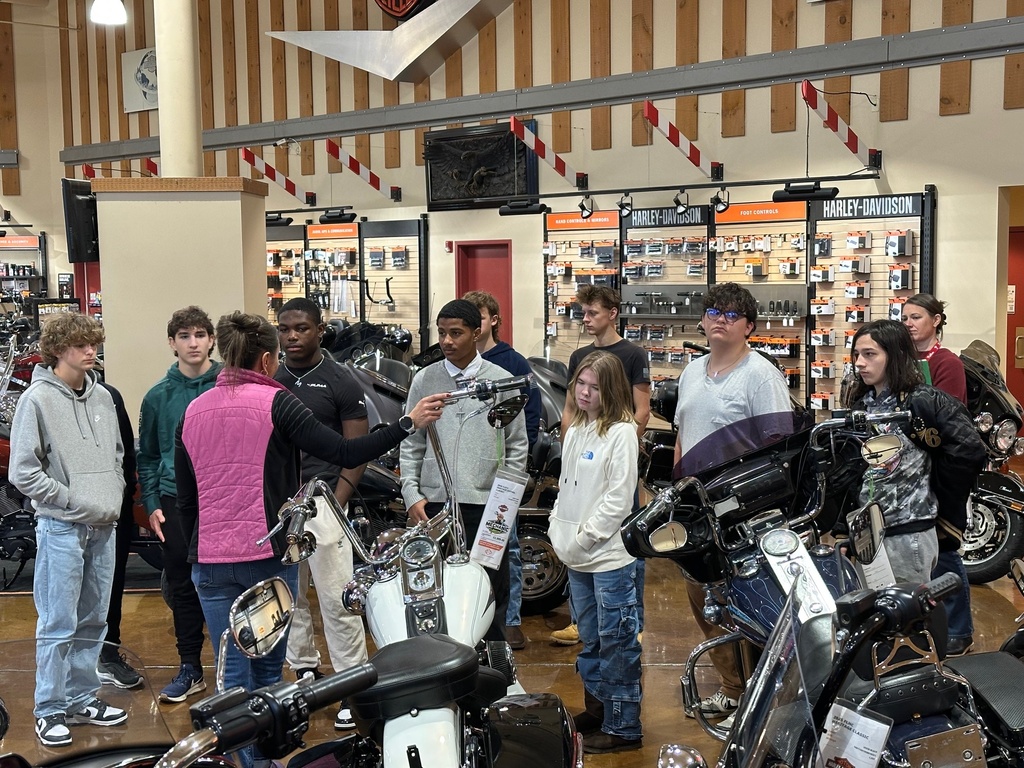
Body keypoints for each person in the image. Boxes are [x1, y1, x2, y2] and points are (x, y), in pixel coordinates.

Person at [176, 312, 445, 768]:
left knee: (230, 671)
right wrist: (406, 423)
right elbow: (345, 452)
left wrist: (197, 553)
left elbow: (186, 501)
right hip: (266, 555)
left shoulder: (193, 409)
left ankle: (247, 760)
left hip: (208, 558)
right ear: (266, 358)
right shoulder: (276, 402)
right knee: (262, 668)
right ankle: (259, 759)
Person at [673, 283, 795, 725]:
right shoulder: (691, 372)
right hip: (695, 511)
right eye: (713, 311)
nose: (720, 319)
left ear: (750, 327)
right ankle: (731, 690)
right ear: (702, 321)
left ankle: (763, 703)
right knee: (704, 601)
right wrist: (678, 492)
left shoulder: (761, 375)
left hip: (743, 513)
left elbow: (779, 449)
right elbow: (684, 435)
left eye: (731, 314)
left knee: (749, 606)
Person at [9, 313, 128, 747]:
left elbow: (116, 454)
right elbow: (23, 471)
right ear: (59, 350)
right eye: (81, 345)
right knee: (58, 621)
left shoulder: (103, 398)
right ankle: (49, 709)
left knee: (94, 618)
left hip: (104, 526)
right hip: (61, 527)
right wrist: (72, 499)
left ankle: (81, 698)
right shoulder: (37, 399)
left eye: (93, 343)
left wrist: (109, 493)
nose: (90, 351)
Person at [400, 299, 528, 641]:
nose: (446, 341)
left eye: (455, 333)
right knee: (434, 596)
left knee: (488, 596)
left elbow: (517, 447)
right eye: (442, 333)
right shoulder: (424, 379)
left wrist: (504, 502)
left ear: (476, 333)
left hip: (488, 506)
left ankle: (494, 676)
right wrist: (412, 494)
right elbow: (411, 442)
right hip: (434, 508)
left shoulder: (502, 381)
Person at [275, 298, 369, 730]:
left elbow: (356, 450)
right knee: (288, 599)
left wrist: (340, 498)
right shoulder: (271, 379)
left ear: (320, 330)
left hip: (325, 503)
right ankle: (305, 672)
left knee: (337, 599)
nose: (292, 336)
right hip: (280, 506)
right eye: (285, 329)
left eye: (301, 328)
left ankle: (352, 685)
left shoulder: (340, 381)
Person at [549, 351, 642, 754]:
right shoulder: (577, 429)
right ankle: (600, 710)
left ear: (612, 390)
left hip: (608, 559)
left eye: (594, 387)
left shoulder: (621, 433)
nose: (585, 393)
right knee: (590, 640)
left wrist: (583, 537)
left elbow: (618, 501)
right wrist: (558, 529)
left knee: (617, 642)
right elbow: (566, 489)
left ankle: (624, 727)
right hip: (576, 557)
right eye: (580, 385)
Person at [844, 320, 986, 585]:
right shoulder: (862, 405)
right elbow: (853, 472)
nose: (860, 363)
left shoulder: (921, 401)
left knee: (907, 619)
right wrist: (845, 528)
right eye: (856, 355)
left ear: (895, 356)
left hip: (908, 535)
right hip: (868, 533)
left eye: (870, 354)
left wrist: (940, 502)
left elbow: (969, 451)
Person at [554, 285, 650, 646]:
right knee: (580, 539)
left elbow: (642, 410)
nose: (586, 319)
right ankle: (582, 621)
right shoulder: (579, 354)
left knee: (624, 539)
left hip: (616, 455)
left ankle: (631, 620)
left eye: (593, 313)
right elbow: (570, 411)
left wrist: (617, 442)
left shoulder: (632, 353)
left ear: (612, 312)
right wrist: (573, 448)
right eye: (584, 313)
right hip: (583, 454)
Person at [137, 306, 221, 703]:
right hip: (174, 502)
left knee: (228, 581)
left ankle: (232, 665)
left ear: (212, 340)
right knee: (183, 585)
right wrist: (151, 502)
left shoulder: (230, 383)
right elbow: (148, 456)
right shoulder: (158, 396)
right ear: (172, 343)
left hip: (225, 496)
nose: (193, 343)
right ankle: (190, 666)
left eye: (200, 335)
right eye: (185, 336)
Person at [463, 290, 540, 650]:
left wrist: (513, 470)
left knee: (504, 547)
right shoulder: (454, 363)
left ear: (492, 319)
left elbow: (530, 419)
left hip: (499, 475)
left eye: (477, 317)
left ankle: (510, 620)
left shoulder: (512, 362)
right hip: (463, 478)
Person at [902, 294, 975, 655]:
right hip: (905, 469)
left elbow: (949, 416)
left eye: (916, 317)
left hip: (939, 469)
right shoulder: (900, 360)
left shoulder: (947, 363)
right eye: (904, 318)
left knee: (944, 546)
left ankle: (960, 628)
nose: (909, 323)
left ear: (937, 320)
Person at [96, 380, 144, 690]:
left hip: (113, 510)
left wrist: (119, 498)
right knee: (64, 597)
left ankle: (108, 653)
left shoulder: (109, 396)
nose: (89, 353)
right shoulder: (41, 397)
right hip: (65, 515)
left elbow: (125, 455)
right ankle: (66, 675)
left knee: (112, 582)